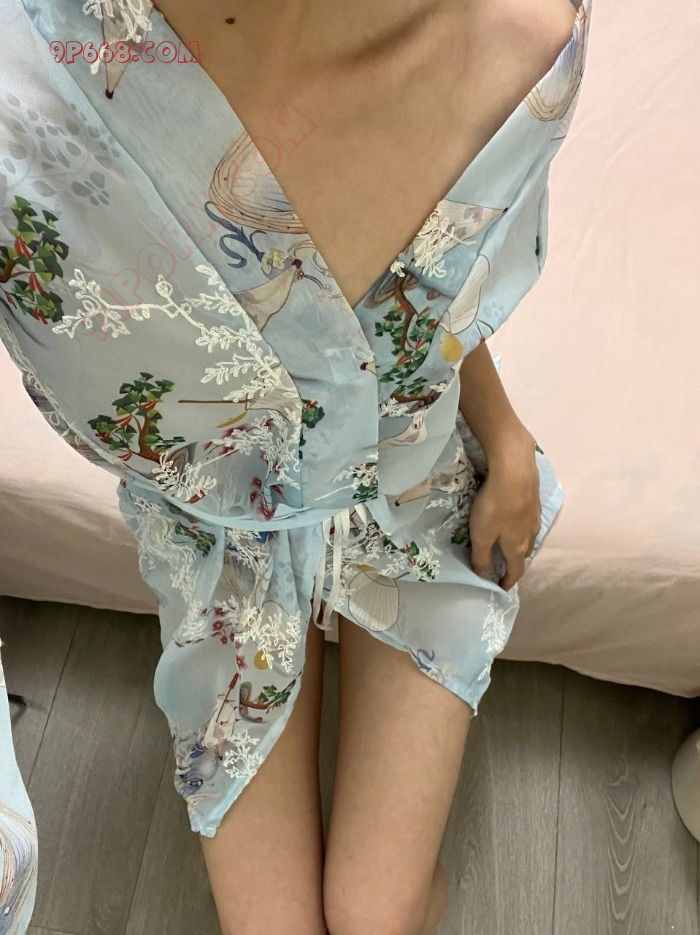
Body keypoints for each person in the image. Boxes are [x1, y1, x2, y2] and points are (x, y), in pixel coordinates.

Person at [0, 0, 592, 931]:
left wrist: (507, 437)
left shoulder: (524, 42)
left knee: (374, 915)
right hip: (224, 546)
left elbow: (418, 296)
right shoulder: (29, 88)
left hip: (411, 496)